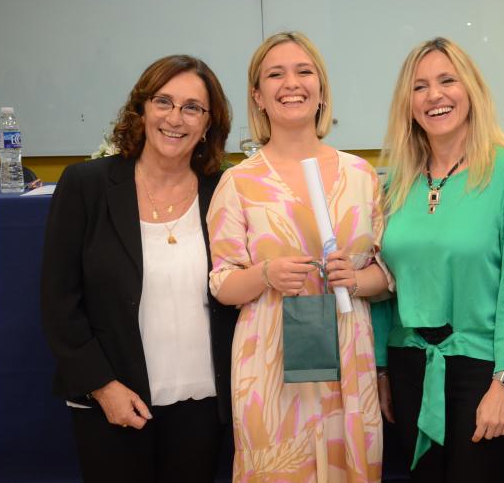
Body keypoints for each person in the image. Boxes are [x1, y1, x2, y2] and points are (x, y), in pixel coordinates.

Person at [40, 54, 237, 482]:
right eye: (163, 102)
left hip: (203, 404)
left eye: (192, 108)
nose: (175, 118)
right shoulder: (86, 185)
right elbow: (59, 302)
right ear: (142, 109)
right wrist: (102, 386)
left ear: (208, 124)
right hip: (113, 400)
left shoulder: (225, 189)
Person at [374, 36, 504, 482]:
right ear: (408, 103)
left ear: (471, 90)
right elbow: (384, 283)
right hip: (409, 368)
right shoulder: (395, 183)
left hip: (485, 371)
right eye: (419, 87)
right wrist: (382, 370)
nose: (434, 96)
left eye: (446, 81)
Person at [206, 31, 388, 481]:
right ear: (258, 96)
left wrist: (356, 280)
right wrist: (266, 274)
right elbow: (223, 285)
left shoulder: (361, 175)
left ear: (321, 89)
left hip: (349, 354)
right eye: (275, 74)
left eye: (304, 71)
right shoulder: (238, 182)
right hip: (269, 362)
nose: (292, 83)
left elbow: (387, 277)